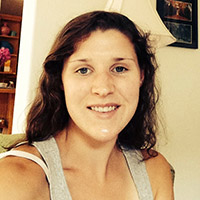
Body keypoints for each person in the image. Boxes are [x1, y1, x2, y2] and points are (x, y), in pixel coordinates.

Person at [0, 11, 174, 200]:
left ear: (141, 75)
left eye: (120, 68)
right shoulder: (15, 179)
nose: (103, 88)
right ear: (60, 80)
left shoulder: (155, 172)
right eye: (83, 70)